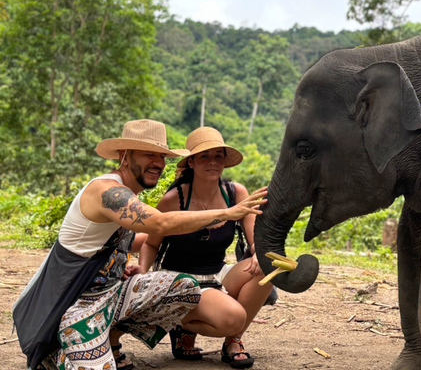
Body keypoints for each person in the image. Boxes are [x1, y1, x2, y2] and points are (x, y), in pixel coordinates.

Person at [12, 119, 267, 370]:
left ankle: (110, 339)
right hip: (74, 303)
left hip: (111, 295)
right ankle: (60, 349)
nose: (157, 163)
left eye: (161, 157)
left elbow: (139, 239)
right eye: (148, 155)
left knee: (183, 286)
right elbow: (158, 224)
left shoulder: (130, 194)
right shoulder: (107, 191)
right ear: (124, 155)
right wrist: (225, 214)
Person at [139, 127, 274, 369]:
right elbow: (151, 243)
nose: (213, 162)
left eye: (218, 156)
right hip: (180, 280)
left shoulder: (236, 193)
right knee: (233, 317)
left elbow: (255, 239)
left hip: (218, 273)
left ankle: (233, 341)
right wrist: (142, 272)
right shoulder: (174, 199)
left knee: (267, 268)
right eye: (204, 156)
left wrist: (258, 253)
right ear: (191, 162)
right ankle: (179, 323)